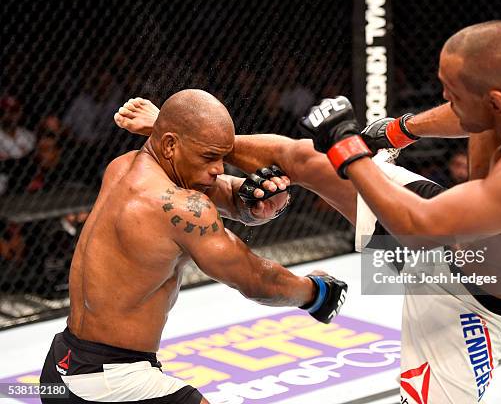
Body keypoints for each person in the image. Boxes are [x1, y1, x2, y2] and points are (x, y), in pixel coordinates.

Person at [114, 21, 501, 403]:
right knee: (303, 158)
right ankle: (174, 132)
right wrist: (399, 130)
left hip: (474, 301)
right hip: (450, 229)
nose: (446, 101)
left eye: (453, 94)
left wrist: (350, 152)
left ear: (495, 101)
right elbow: (459, 123)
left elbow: (419, 229)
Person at [40, 89, 348, 404]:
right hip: (112, 382)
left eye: (222, 156)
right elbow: (256, 280)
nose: (219, 168)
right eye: (209, 156)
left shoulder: (123, 166)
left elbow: (222, 195)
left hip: (62, 364)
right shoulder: (180, 208)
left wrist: (260, 205)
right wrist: (316, 293)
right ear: (170, 144)